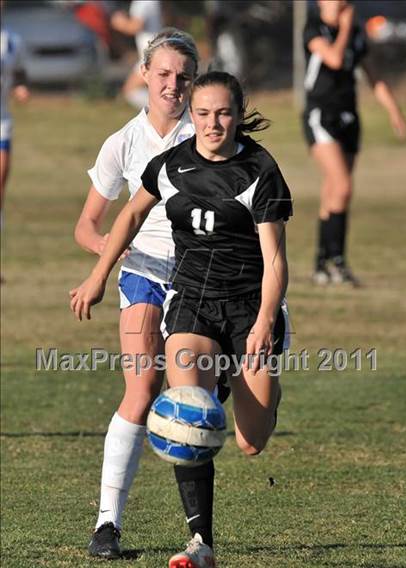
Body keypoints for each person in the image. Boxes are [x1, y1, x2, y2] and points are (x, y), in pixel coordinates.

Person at [70, 70, 293, 568]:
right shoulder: (171, 165)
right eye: (204, 113)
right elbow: (128, 215)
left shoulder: (259, 169)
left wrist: (262, 325)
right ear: (191, 115)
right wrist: (99, 275)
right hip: (193, 302)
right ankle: (201, 543)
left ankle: (250, 380)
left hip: (248, 308)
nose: (214, 124)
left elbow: (276, 262)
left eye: (224, 113)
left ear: (238, 115)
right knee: (187, 411)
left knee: (250, 442)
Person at [73, 28, 198, 559]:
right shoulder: (122, 142)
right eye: (164, 74)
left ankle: (199, 532)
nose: (173, 85)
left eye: (183, 77)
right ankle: (107, 525)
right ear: (144, 74)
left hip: (200, 276)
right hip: (142, 271)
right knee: (142, 388)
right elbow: (86, 224)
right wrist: (108, 252)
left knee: (194, 398)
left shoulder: (206, 133)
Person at [302, 0, 406, 286]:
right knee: (342, 186)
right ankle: (336, 262)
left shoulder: (356, 32)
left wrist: (394, 112)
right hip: (320, 116)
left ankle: (323, 264)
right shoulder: (315, 28)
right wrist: (346, 27)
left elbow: (373, 75)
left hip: (348, 117)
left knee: (335, 193)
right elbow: (334, 59)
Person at [1, 2, 30, 218]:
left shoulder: (11, 41)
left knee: (1, 177)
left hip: (2, 120)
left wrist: (20, 88)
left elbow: (19, 73)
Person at [110, 0, 162, 109]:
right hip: (155, 52)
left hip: (151, 55)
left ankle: (166, 113)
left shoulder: (142, 3)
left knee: (131, 91)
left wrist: (119, 22)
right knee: (132, 91)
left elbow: (135, 26)